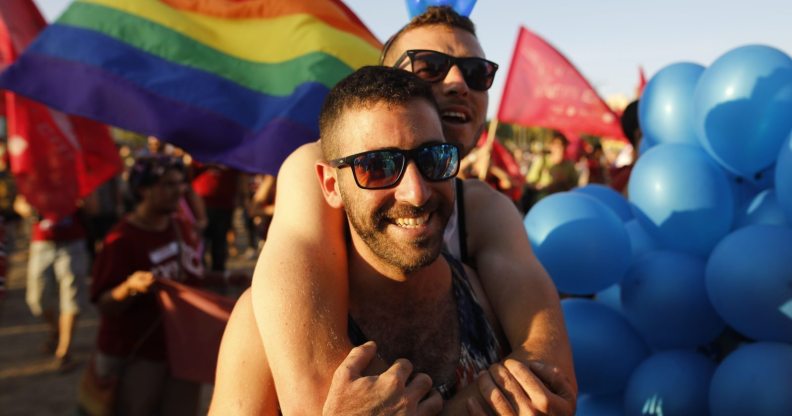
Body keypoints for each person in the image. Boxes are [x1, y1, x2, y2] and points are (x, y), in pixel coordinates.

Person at [215, 6, 576, 415]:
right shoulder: (310, 172)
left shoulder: (486, 208)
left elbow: (551, 382)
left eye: (476, 72)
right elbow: (319, 403)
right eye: (430, 66)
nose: (458, 82)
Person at [90, 155, 248, 416]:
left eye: (181, 184)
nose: (180, 191)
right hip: (140, 356)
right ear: (143, 189)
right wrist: (129, 287)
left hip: (183, 352)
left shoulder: (180, 227)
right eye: (168, 185)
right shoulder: (121, 239)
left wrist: (225, 278)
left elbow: (187, 276)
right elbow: (104, 303)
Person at [25, 208, 89, 372]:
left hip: (73, 243)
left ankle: (64, 351)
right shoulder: (34, 181)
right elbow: (20, 204)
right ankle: (57, 330)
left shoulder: (76, 182)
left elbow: (94, 207)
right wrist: (30, 211)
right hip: (42, 243)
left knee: (71, 297)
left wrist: (80, 204)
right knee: (37, 299)